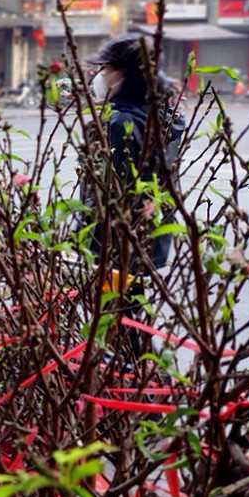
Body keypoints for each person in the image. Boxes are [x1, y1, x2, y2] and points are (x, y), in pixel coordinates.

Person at [83, 34, 185, 364]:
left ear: (121, 74)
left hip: (122, 243)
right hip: (150, 236)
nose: (99, 76)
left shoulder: (122, 122)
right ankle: (144, 377)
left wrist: (90, 241)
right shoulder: (163, 115)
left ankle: (139, 384)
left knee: (120, 326)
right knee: (133, 318)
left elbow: (115, 195)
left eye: (105, 69)